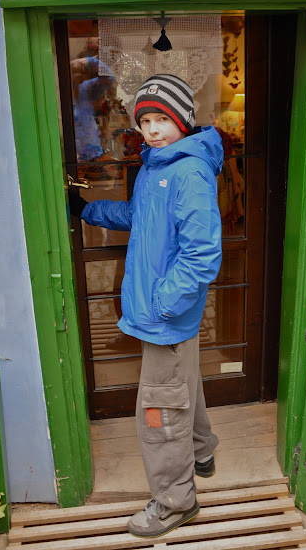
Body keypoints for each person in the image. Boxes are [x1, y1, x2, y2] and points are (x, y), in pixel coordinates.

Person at [69, 74, 223, 539]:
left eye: (162, 119)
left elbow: (202, 255)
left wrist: (161, 304)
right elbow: (138, 216)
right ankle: (203, 451)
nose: (152, 129)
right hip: (168, 315)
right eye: (146, 120)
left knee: (160, 410)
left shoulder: (189, 173)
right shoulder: (157, 165)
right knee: (182, 386)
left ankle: (176, 501)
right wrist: (86, 208)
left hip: (166, 316)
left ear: (183, 119)